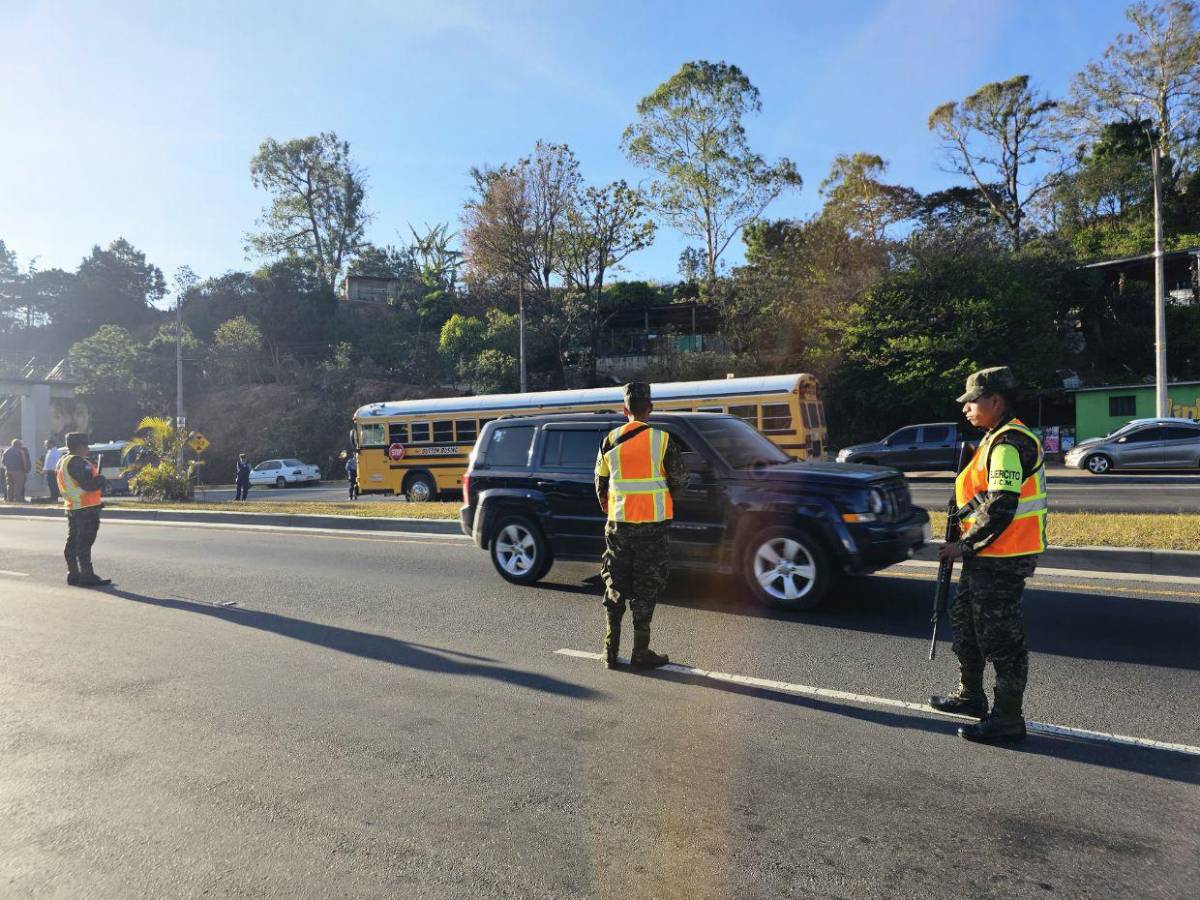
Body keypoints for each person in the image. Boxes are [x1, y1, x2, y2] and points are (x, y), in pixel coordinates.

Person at [930, 367, 1047, 744]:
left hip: (1003, 558)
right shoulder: (993, 438)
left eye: (972, 402)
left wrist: (963, 545)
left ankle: (1008, 719)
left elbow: (1001, 506)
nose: (965, 409)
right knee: (965, 622)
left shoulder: (1010, 443)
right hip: (986, 555)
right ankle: (971, 696)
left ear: (995, 401)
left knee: (1001, 639)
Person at [594, 382, 688, 671]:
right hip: (653, 528)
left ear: (624, 410)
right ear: (651, 408)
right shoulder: (662, 441)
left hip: (619, 526)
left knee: (615, 583)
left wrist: (609, 508)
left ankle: (610, 650)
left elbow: (600, 483)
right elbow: (680, 482)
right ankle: (641, 652)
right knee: (646, 588)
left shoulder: (609, 440)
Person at [57, 432, 111, 587]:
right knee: (84, 543)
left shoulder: (63, 461)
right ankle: (87, 576)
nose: (88, 448)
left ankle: (73, 574)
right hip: (86, 507)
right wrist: (101, 479)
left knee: (73, 541)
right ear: (80, 446)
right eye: (86, 445)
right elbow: (88, 485)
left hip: (73, 506)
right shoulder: (79, 462)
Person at [3, 438, 31, 503]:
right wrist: (26, 469)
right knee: (18, 486)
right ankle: (18, 499)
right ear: (18, 444)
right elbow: (23, 461)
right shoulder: (20, 451)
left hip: (8, 471)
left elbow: (3, 461)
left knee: (9, 485)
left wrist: (7, 468)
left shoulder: (6, 451)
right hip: (18, 471)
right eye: (21, 444)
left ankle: (10, 499)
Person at [42, 438, 63, 502]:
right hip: (49, 472)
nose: (45, 446)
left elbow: (57, 462)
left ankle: (54, 498)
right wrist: (45, 470)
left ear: (51, 444)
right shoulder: (49, 451)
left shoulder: (56, 452)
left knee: (54, 485)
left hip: (53, 472)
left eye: (47, 444)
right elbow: (48, 463)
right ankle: (52, 497)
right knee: (51, 485)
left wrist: (53, 470)